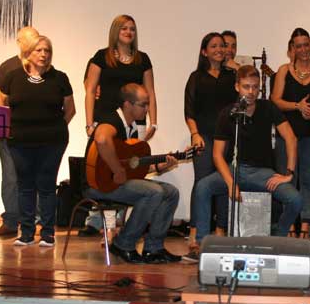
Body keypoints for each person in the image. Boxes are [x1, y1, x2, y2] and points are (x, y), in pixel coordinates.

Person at [189, 65, 302, 254]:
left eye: (255, 87)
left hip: (263, 173)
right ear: (237, 87)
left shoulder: (268, 107)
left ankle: (278, 238)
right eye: (246, 86)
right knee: (203, 187)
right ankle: (202, 244)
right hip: (234, 170)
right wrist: (230, 182)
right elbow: (217, 154)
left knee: (295, 199)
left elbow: (291, 138)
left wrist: (288, 173)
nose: (251, 92)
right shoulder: (228, 113)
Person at [84, 83, 181, 264]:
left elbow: (134, 168)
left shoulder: (132, 128)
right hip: (99, 184)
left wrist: (160, 167)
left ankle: (154, 248)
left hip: (115, 183)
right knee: (154, 192)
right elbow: (102, 139)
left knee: (171, 192)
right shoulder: (112, 120)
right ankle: (123, 244)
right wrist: (117, 169)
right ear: (127, 105)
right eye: (143, 105)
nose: (147, 109)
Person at [0, 36, 74, 247]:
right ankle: (27, 233)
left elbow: (70, 109)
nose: (43, 54)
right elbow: (2, 103)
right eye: (38, 50)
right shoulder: (13, 77)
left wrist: (54, 128)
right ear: (28, 53)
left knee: (47, 185)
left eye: (47, 50)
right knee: (25, 186)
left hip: (52, 142)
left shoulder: (59, 78)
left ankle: (47, 233)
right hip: (20, 142)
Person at [270, 28, 310, 239]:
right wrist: (297, 106)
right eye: (299, 46)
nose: (304, 49)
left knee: (307, 180)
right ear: (292, 49)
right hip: (287, 134)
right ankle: (288, 226)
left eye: (306, 44)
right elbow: (275, 100)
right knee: (287, 179)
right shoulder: (283, 71)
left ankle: (305, 226)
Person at [183, 33, 237, 253]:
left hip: (226, 138)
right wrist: (195, 134)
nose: (219, 49)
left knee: (224, 181)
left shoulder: (232, 76)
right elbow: (189, 111)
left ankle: (220, 230)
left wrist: (235, 67)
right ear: (204, 51)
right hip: (203, 137)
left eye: (222, 46)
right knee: (202, 183)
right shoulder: (196, 77)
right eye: (214, 46)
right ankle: (195, 230)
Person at [0, 26, 39, 239]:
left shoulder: (43, 67)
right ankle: (10, 221)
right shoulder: (8, 67)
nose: (35, 44)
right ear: (19, 42)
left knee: (34, 177)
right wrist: (2, 118)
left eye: (37, 39)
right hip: (10, 133)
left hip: (35, 133)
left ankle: (35, 220)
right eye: (30, 40)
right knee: (10, 178)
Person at [84, 15, 157, 141]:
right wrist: (89, 125)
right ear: (115, 31)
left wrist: (154, 123)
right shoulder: (101, 56)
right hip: (104, 120)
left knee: (134, 154)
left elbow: (150, 92)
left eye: (132, 29)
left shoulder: (143, 59)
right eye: (124, 28)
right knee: (104, 153)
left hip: (136, 123)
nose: (128, 32)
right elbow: (90, 91)